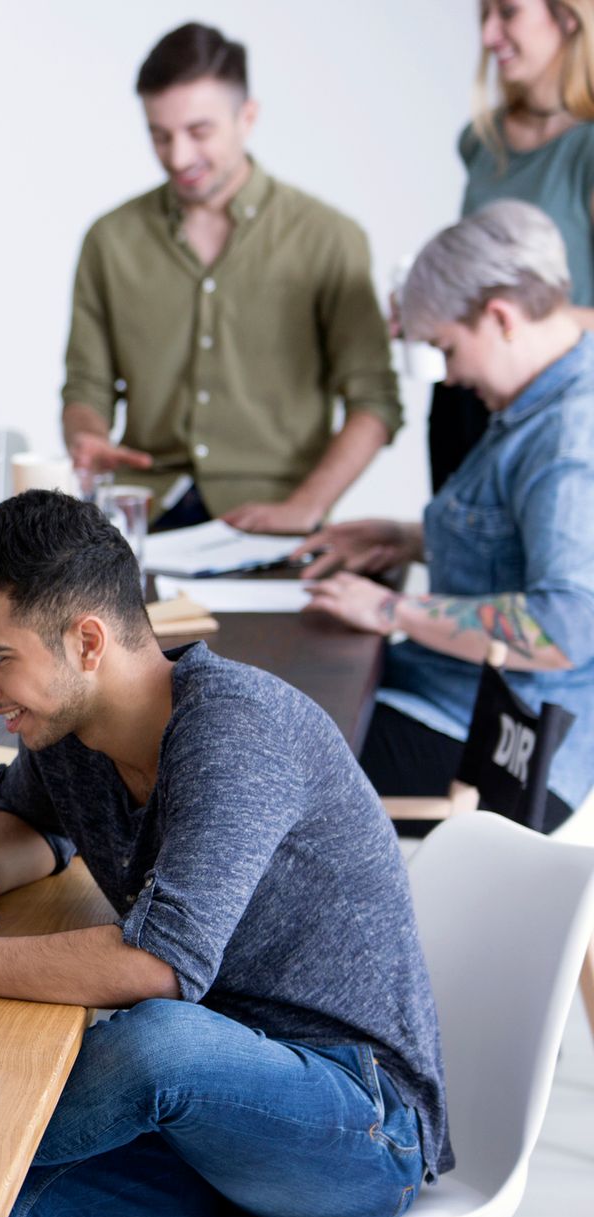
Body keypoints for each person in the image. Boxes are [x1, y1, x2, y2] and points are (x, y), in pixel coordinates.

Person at [0, 490, 448, 1217]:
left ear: (88, 641)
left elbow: (158, 968)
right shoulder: (73, 723)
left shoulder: (236, 732)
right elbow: (28, 818)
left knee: (149, 1043)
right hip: (192, 1120)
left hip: (355, 1122)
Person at [302, 200, 594, 828]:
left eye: (446, 348)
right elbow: (520, 537)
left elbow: (565, 626)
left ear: (500, 317)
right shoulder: (539, 397)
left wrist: (391, 609)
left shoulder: (570, 440)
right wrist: (406, 540)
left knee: (255, 755)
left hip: (505, 745)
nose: (451, 375)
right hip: (454, 698)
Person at [62, 22, 401, 533]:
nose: (178, 157)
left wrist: (306, 507)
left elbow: (374, 400)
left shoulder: (328, 237)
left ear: (248, 117)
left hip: (274, 518)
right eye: (159, 135)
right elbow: (86, 386)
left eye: (199, 132)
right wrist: (87, 435)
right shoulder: (109, 240)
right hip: (147, 519)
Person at [430, 0, 594, 492]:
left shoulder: (585, 150)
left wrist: (533, 320)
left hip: (549, 410)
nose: (488, 36)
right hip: (466, 400)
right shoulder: (482, 141)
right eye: (484, 16)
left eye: (508, 12)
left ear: (567, 17)